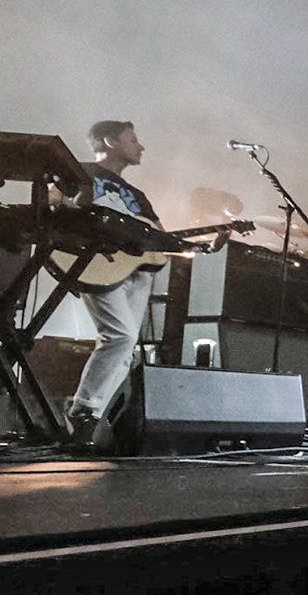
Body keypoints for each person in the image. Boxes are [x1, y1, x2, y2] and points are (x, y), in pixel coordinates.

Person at [63, 120, 222, 449]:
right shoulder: (81, 171)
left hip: (137, 271)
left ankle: (88, 429)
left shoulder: (138, 196)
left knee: (125, 351)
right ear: (109, 141)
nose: (141, 146)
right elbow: (58, 205)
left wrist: (201, 245)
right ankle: (82, 412)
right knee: (120, 337)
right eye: (132, 139)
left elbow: (160, 239)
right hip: (97, 260)